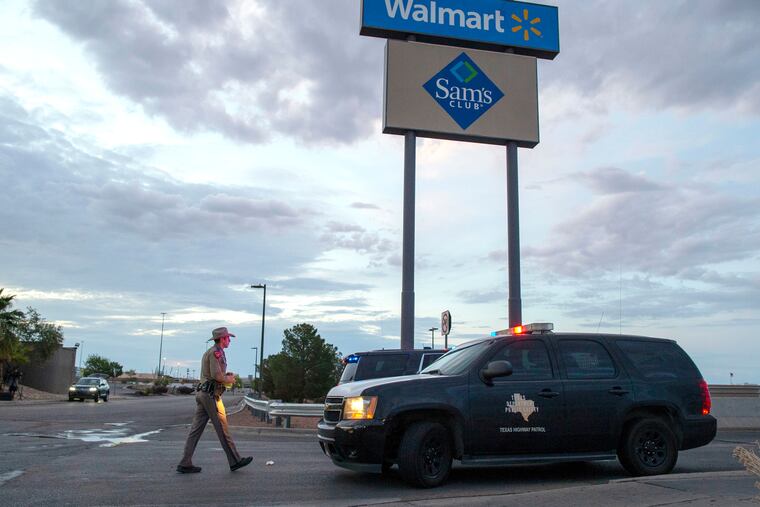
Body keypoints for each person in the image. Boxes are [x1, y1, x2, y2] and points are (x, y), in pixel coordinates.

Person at [177, 327, 252, 474]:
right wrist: (228, 378)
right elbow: (216, 375)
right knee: (222, 429)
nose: (229, 340)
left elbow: (215, 375)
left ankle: (185, 462)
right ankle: (235, 460)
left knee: (195, 431)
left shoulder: (211, 352)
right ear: (222, 339)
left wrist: (225, 376)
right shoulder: (215, 353)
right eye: (228, 338)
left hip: (204, 394)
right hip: (211, 396)